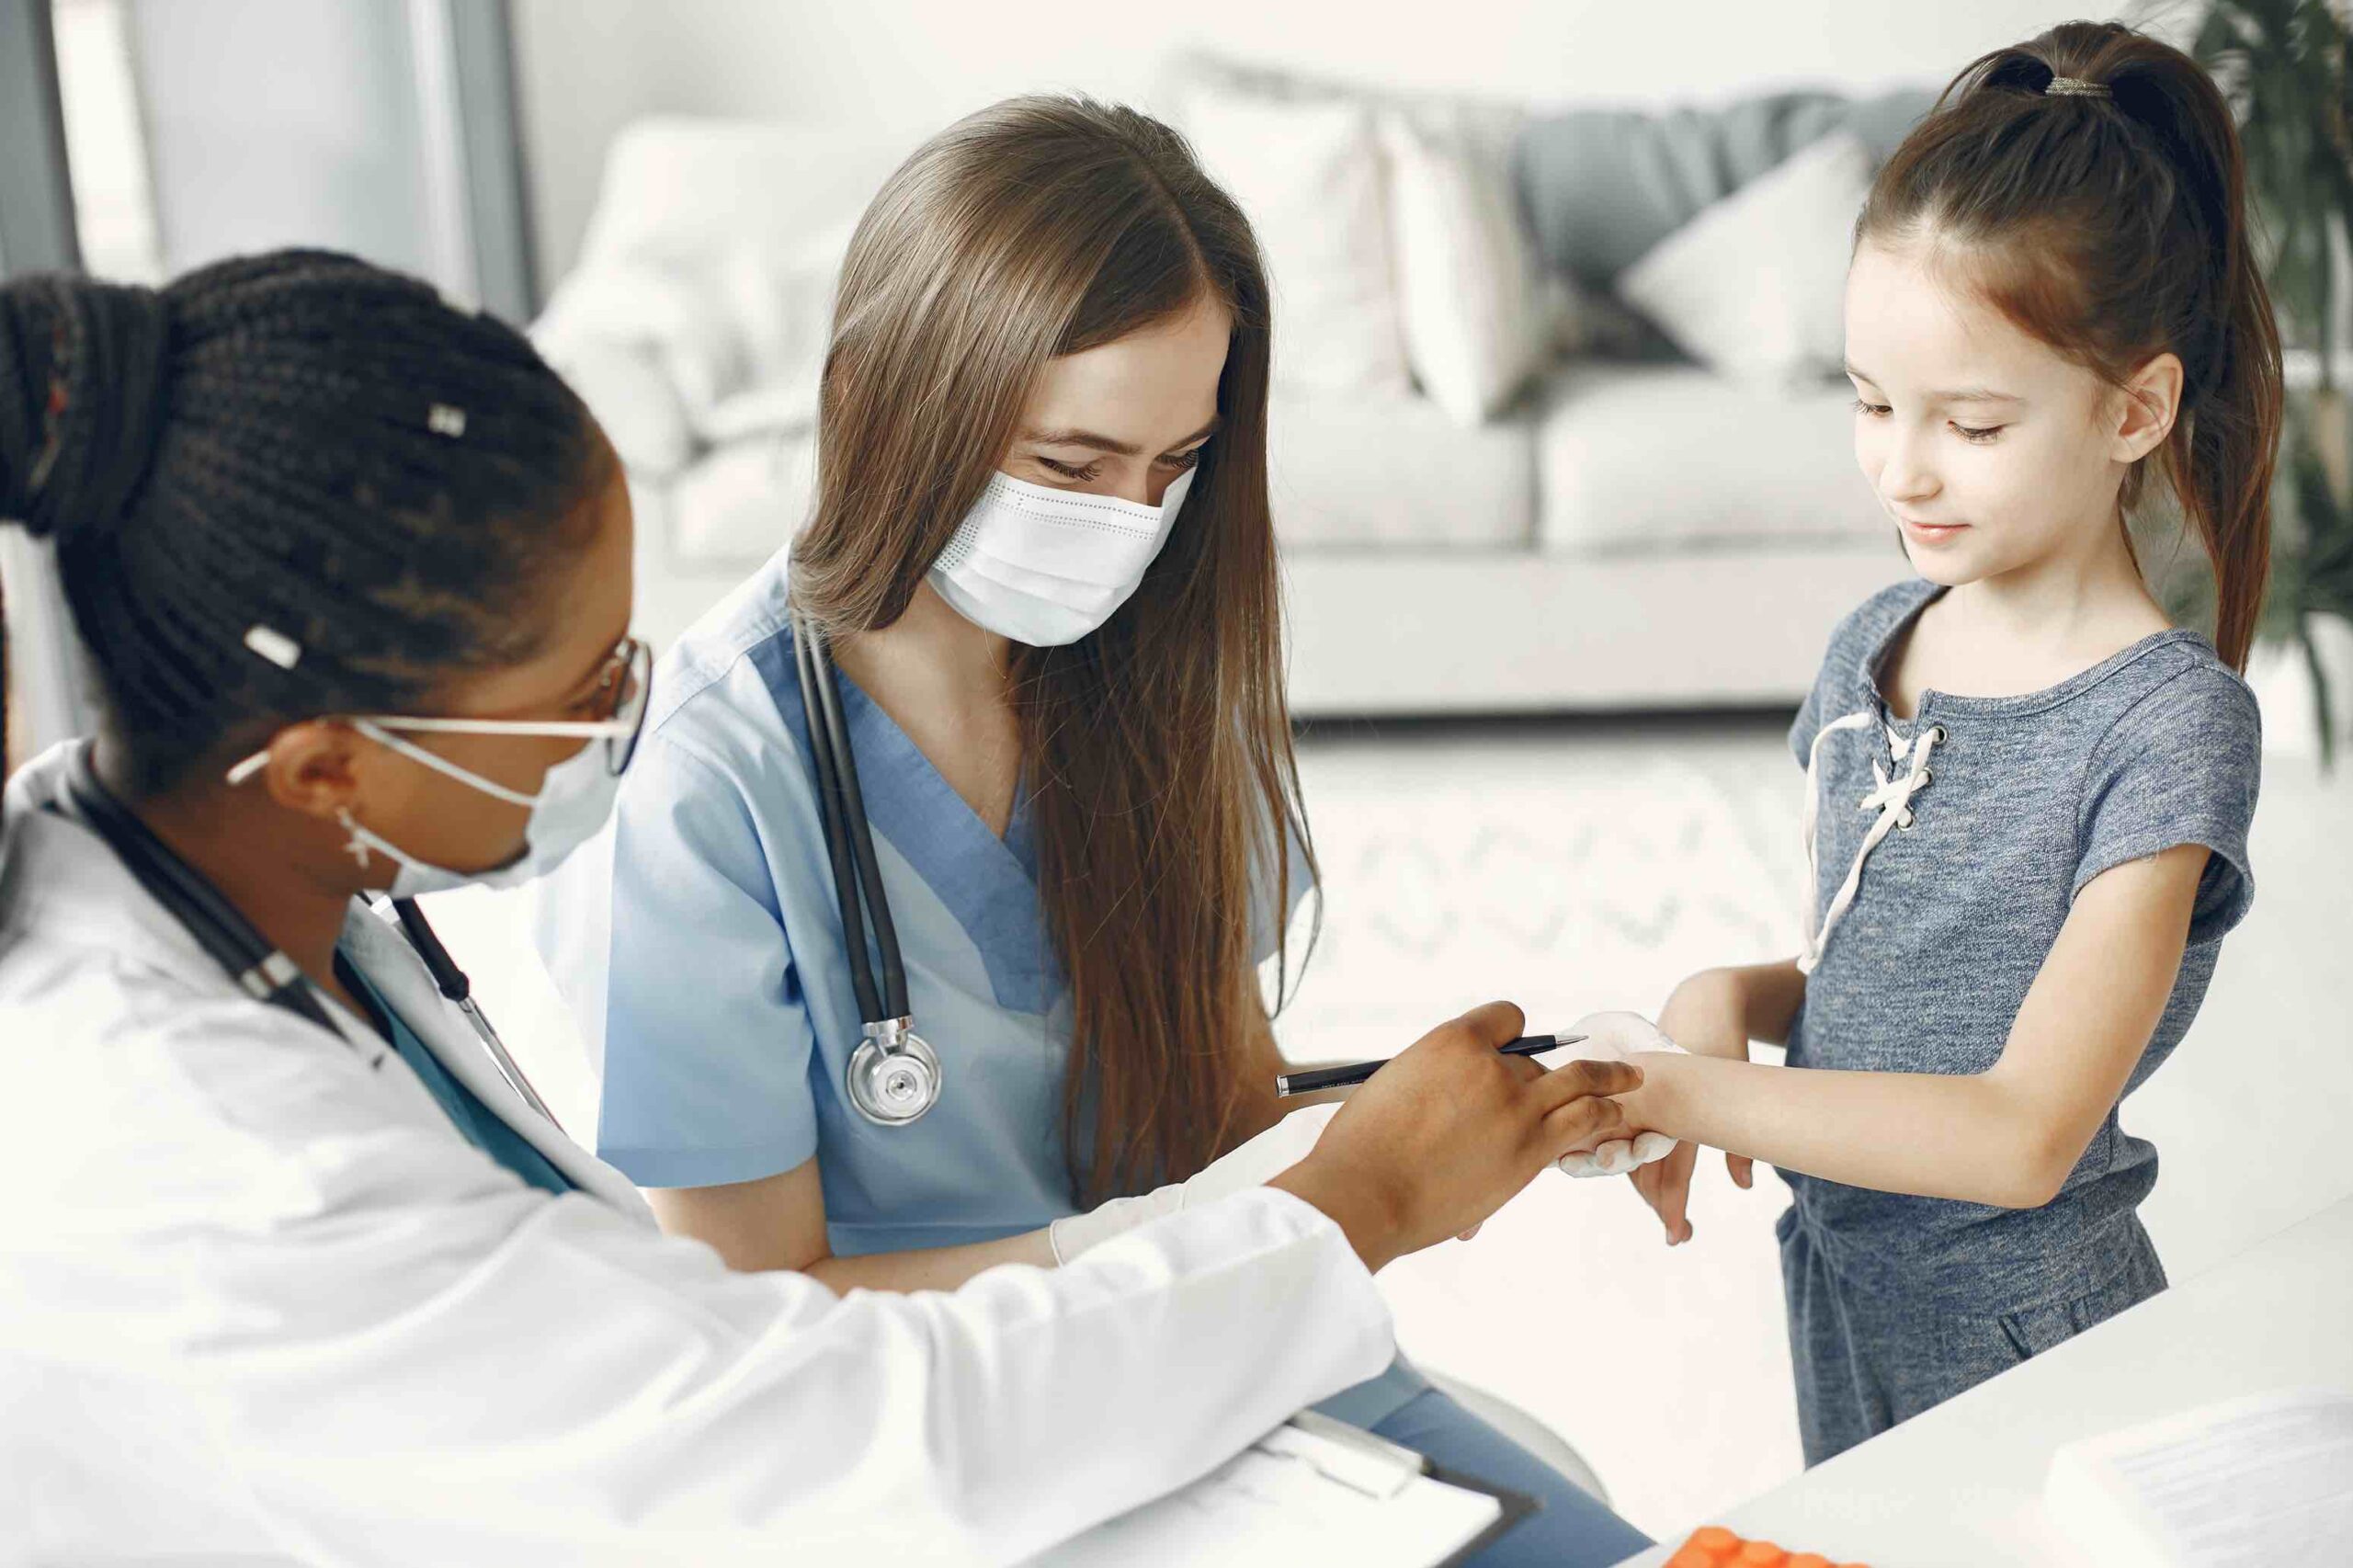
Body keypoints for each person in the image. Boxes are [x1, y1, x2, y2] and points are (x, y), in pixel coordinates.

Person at [0, 253, 1643, 1561]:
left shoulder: (252, 894)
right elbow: (847, 1430)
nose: (630, 718)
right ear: (322, 769)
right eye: (581, 690)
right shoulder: (218, 1173)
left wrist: (1321, 1169)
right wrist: (1346, 1204)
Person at [533, 97, 1654, 1566]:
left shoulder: (1156, 683)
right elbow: (762, 1326)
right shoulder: (706, 787)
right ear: (884, 398)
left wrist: (1529, 1105)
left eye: (1175, 464)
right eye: (1072, 466)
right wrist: (1194, 1247)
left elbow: (1221, 1130)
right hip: (949, 1456)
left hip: (1235, 1376)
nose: (1129, 524)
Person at [1605, 21, 2276, 1464]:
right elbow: (1893, 984)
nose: (1900, 466)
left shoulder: (2169, 729)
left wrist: (1686, 1090)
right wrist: (1731, 990)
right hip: (1844, 1291)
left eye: (1970, 422)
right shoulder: (1874, 645)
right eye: (1868, 401)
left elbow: (2022, 1128)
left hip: (2029, 1344)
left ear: (2135, 408)